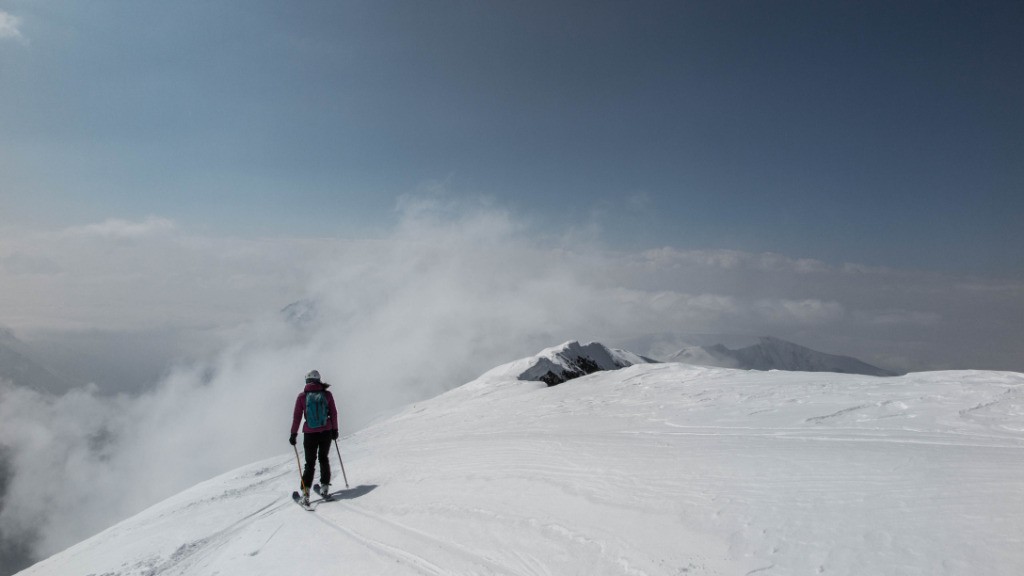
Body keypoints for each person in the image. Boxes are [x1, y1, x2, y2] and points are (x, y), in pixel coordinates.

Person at [290, 369, 339, 505]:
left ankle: (305, 494)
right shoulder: (327, 395)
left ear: (307, 381)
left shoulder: (302, 397)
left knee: (309, 464)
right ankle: (324, 487)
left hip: (310, 434)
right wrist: (334, 429)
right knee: (324, 459)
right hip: (326, 431)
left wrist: (293, 434)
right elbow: (334, 413)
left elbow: (297, 418)